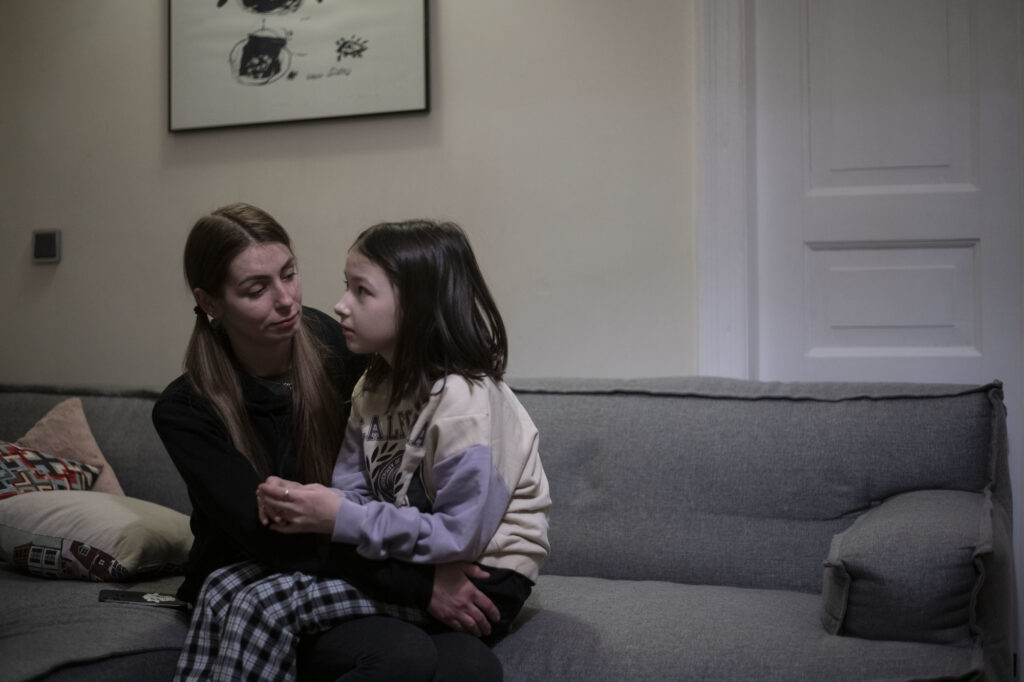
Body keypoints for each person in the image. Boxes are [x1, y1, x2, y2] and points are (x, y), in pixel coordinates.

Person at [153, 204, 501, 682]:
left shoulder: (338, 345)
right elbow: (270, 539)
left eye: (289, 274)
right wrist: (421, 585)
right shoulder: (184, 410)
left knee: (473, 665)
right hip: (259, 575)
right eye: (257, 289)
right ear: (210, 302)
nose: (286, 300)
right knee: (400, 654)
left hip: (348, 564)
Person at [249, 219, 552, 679]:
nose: (340, 305)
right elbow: (353, 491)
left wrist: (338, 517)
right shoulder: (372, 388)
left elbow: (460, 536)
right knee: (233, 585)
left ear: (416, 306)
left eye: (362, 291)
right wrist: (308, 503)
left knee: (265, 600)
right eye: (346, 287)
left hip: (481, 577)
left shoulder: (465, 401)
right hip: (415, 558)